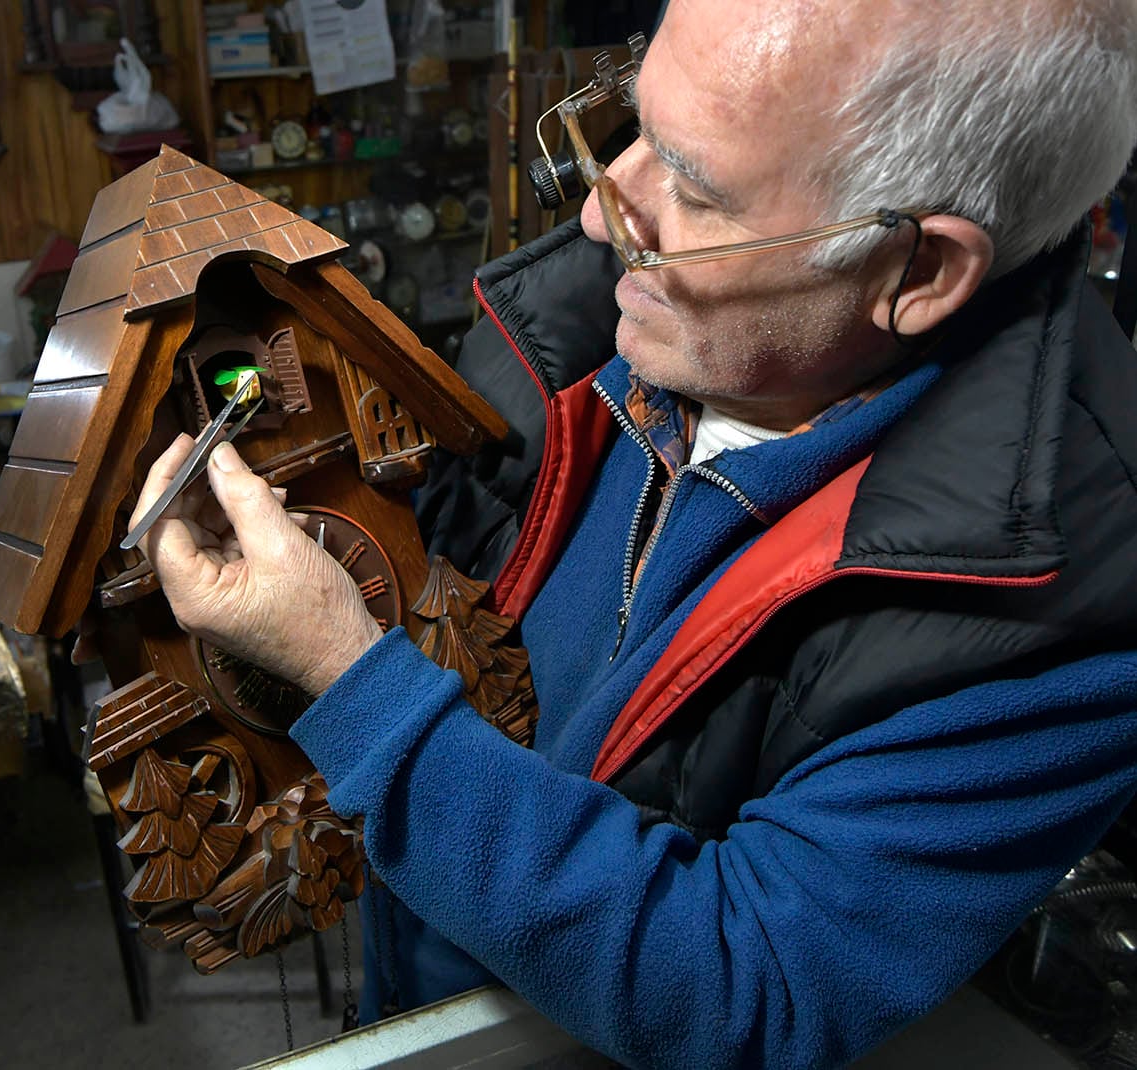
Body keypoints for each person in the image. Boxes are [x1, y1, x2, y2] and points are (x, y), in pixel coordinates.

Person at [130, 0, 1137, 1065]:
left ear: (917, 273)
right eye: (632, 126)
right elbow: (478, 570)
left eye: (696, 189)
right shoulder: (604, 327)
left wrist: (349, 678)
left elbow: (744, 990)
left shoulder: (1061, 603)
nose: (610, 214)